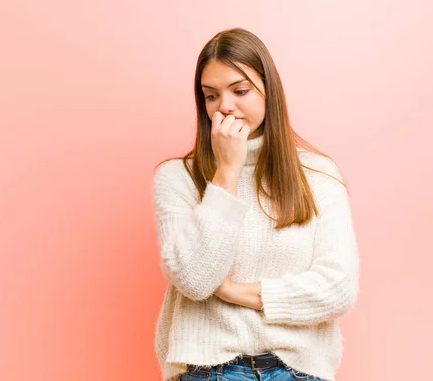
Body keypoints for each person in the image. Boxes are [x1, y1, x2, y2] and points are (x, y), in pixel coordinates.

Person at [151, 28, 360, 381]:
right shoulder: (177, 177)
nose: (225, 106)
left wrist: (234, 291)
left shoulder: (318, 174)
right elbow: (195, 280)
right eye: (211, 95)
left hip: (299, 371)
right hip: (210, 370)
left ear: (268, 90)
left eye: (240, 90)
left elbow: (338, 288)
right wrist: (227, 172)